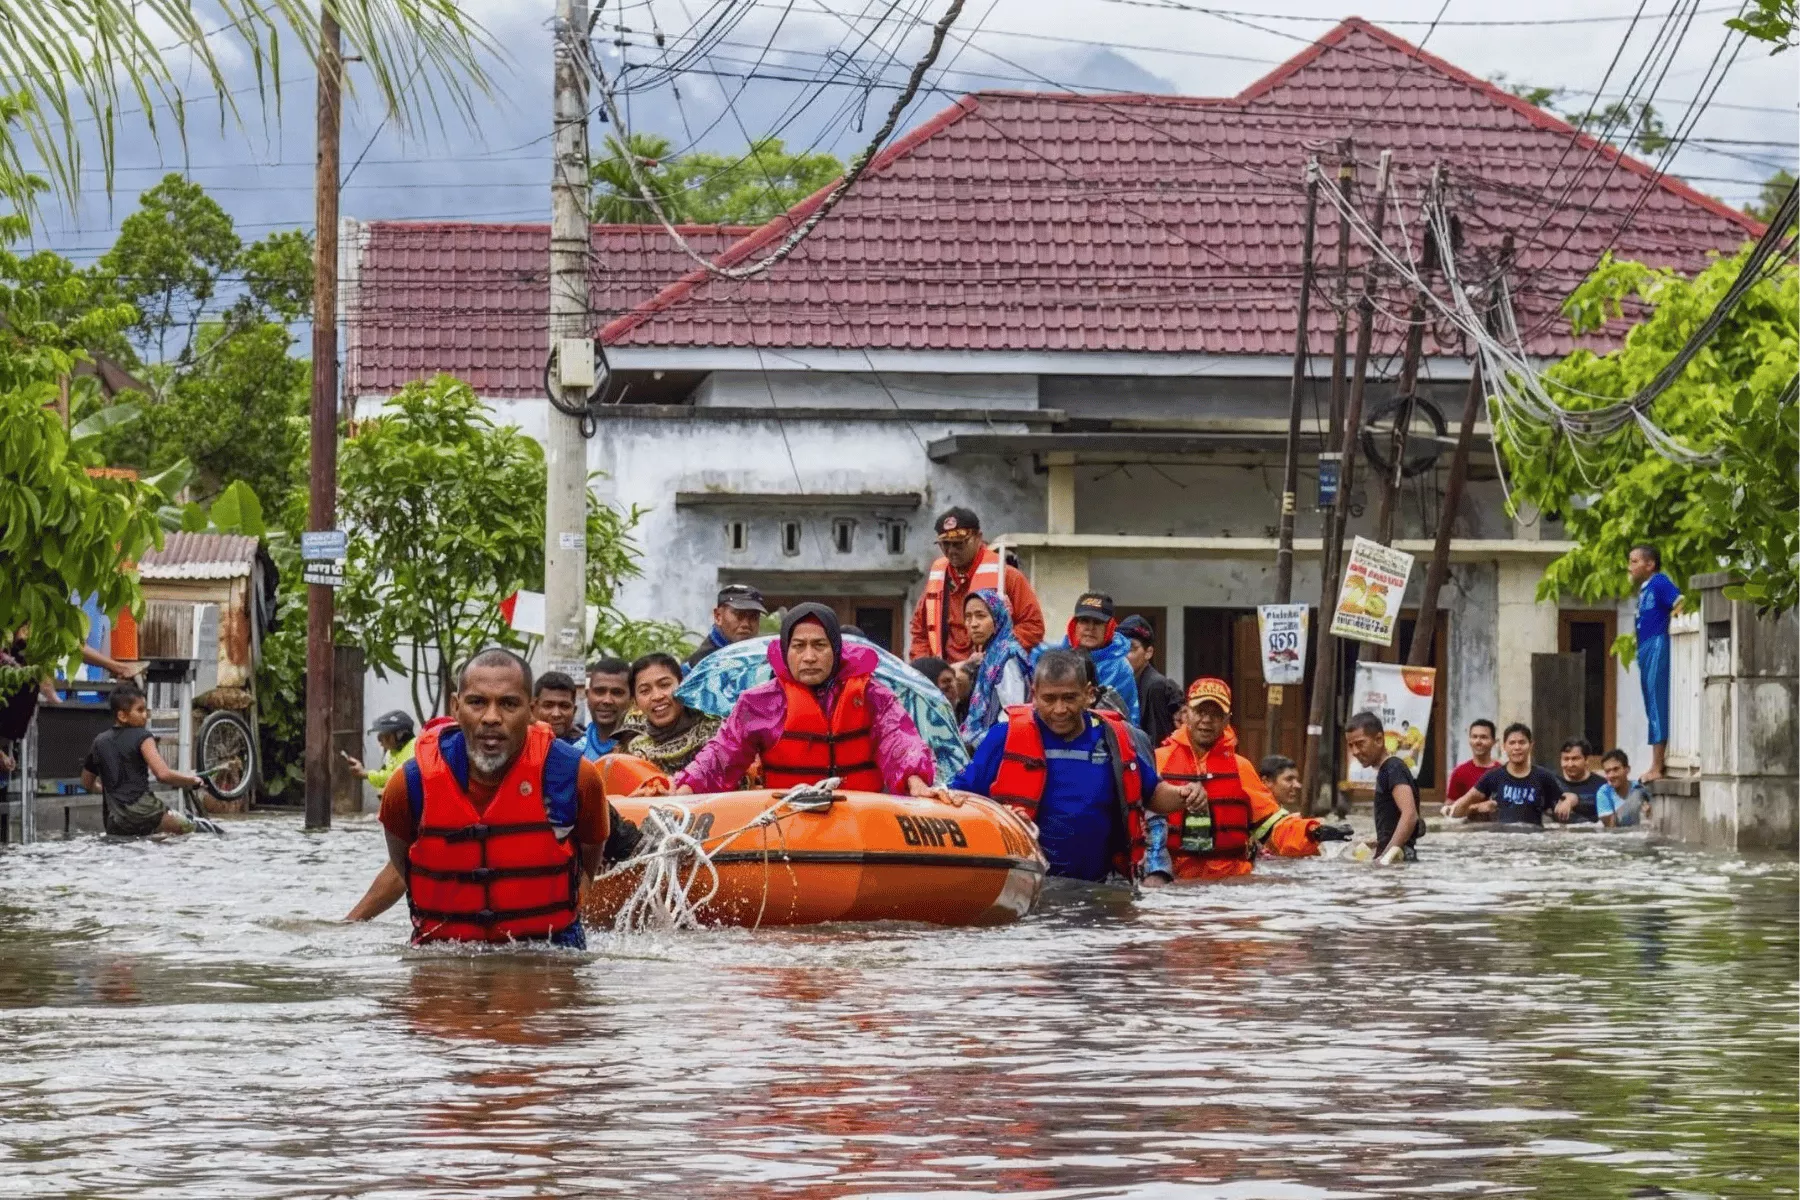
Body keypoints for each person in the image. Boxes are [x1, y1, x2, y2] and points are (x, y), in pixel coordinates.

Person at [376, 648, 620, 946]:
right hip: (444, 955)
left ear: (531, 711)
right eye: (477, 702)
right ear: (455, 707)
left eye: (508, 704)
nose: (491, 717)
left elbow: (590, 858)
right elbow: (404, 865)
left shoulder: (577, 777)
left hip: (550, 951)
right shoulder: (409, 784)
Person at [951, 649, 1202, 884]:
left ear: (1088, 694)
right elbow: (959, 796)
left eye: (1069, 698)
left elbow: (1152, 794)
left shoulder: (1113, 739)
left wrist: (1184, 795)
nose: (1060, 709)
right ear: (1034, 694)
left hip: (1101, 886)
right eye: (1049, 699)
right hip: (1026, 884)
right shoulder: (1004, 738)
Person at [667, 603, 939, 797]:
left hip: (861, 820)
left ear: (835, 649)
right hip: (788, 821)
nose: (809, 657)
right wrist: (686, 787)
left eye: (819, 645)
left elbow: (898, 740)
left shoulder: (872, 695)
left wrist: (916, 782)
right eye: (798, 646)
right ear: (786, 651)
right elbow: (722, 754)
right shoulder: (758, 703)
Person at [1154, 678, 1344, 881]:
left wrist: (1313, 832)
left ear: (1227, 720)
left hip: (1231, 884)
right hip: (1171, 882)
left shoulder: (1241, 768)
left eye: (1216, 714)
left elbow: (1273, 827)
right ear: (1186, 714)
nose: (1207, 720)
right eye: (1200, 711)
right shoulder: (1158, 761)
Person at [908, 507, 1044, 662]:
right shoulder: (937, 579)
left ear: (978, 537)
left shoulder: (1007, 576)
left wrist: (996, 654)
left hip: (991, 670)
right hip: (946, 673)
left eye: (959, 544)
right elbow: (919, 632)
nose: (951, 550)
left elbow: (1033, 627)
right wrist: (926, 666)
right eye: (945, 544)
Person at [79, 684, 204, 836]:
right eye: (140, 710)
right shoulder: (143, 737)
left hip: (115, 822)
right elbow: (163, 775)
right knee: (196, 831)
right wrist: (192, 780)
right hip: (147, 813)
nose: (145, 715)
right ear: (122, 716)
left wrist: (110, 791)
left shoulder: (99, 741)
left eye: (146, 710)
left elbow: (86, 783)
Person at [1035, 591, 1140, 724]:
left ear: (1109, 627)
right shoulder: (1050, 657)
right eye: (1084, 621)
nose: (1090, 628)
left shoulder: (1120, 668)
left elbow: (1126, 720)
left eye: (1097, 622)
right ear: (1075, 625)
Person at [614, 652, 724, 776]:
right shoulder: (632, 754)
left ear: (682, 685)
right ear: (635, 702)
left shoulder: (719, 734)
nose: (657, 696)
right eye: (645, 691)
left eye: (664, 685)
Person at [1628, 544, 1681, 781]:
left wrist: (1674, 622)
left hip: (1657, 643)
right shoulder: (1644, 589)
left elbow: (1678, 601)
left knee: (1657, 703)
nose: (1630, 566)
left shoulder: (1659, 582)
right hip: (1645, 646)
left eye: (1635, 561)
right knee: (1650, 703)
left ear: (1649, 564)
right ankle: (1656, 762)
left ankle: (1657, 765)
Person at [1449, 722, 1563, 826]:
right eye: (1512, 743)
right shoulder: (1493, 776)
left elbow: (1563, 807)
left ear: (1531, 745)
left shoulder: (1544, 776)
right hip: (1502, 837)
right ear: (1504, 746)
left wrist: (1568, 800)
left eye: (1522, 742)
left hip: (1534, 837)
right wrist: (1475, 808)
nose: (1517, 747)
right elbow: (1456, 810)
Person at [959, 589, 1033, 748]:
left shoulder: (1007, 656)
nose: (973, 624)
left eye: (981, 616)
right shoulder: (991, 654)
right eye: (968, 617)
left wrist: (983, 744)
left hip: (997, 749)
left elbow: (1012, 715)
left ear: (997, 618)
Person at [1345, 711, 1422, 862]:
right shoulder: (1387, 770)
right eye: (1351, 745)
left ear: (1379, 740)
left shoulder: (1393, 768)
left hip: (1398, 861)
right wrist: (1377, 843)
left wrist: (1384, 858)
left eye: (1360, 744)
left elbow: (1410, 815)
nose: (1355, 752)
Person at [1118, 615, 1180, 746]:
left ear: (1148, 652)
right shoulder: (1124, 682)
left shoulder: (1155, 686)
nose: (1123, 655)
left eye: (1131, 649)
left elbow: (1158, 741)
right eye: (1120, 648)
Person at [686, 584, 768, 669]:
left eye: (754, 617)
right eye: (739, 615)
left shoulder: (763, 656)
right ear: (718, 616)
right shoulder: (701, 664)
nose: (746, 624)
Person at [346, 710, 417, 794]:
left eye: (387, 737)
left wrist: (365, 773)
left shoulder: (413, 750)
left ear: (401, 735)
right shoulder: (393, 751)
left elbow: (395, 778)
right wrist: (364, 773)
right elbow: (385, 775)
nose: (381, 742)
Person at [582, 658, 631, 760]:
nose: (607, 700)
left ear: (632, 699)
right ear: (587, 695)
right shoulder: (575, 750)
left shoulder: (643, 749)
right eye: (599, 692)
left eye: (617, 693)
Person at [1446, 718, 1497, 806]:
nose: (1478, 741)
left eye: (1483, 737)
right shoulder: (1460, 772)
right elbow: (1450, 807)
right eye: (1474, 737)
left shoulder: (1501, 771)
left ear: (1494, 742)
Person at [1596, 748, 1652, 828]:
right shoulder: (1604, 792)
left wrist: (1649, 812)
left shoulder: (1640, 788)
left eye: (1616, 769)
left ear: (1627, 770)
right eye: (1607, 771)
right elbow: (1611, 828)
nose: (1611, 775)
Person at [1554, 737, 1604, 824]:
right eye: (1566, 759)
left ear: (1586, 760)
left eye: (1575, 759)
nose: (1570, 764)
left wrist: (1576, 801)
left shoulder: (1601, 785)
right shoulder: (1552, 783)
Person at [532, 671, 584, 743]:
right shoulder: (520, 744)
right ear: (533, 709)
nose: (556, 714)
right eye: (548, 706)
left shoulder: (586, 746)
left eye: (564, 706)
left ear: (574, 711)